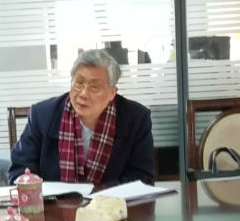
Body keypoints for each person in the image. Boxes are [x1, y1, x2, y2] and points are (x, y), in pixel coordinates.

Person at [9, 49, 154, 188]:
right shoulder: (42, 115)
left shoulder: (136, 119)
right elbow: (20, 170)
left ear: (112, 93)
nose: (83, 94)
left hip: (111, 203)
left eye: (94, 87)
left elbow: (142, 179)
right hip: (53, 204)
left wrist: (101, 196)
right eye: (79, 83)